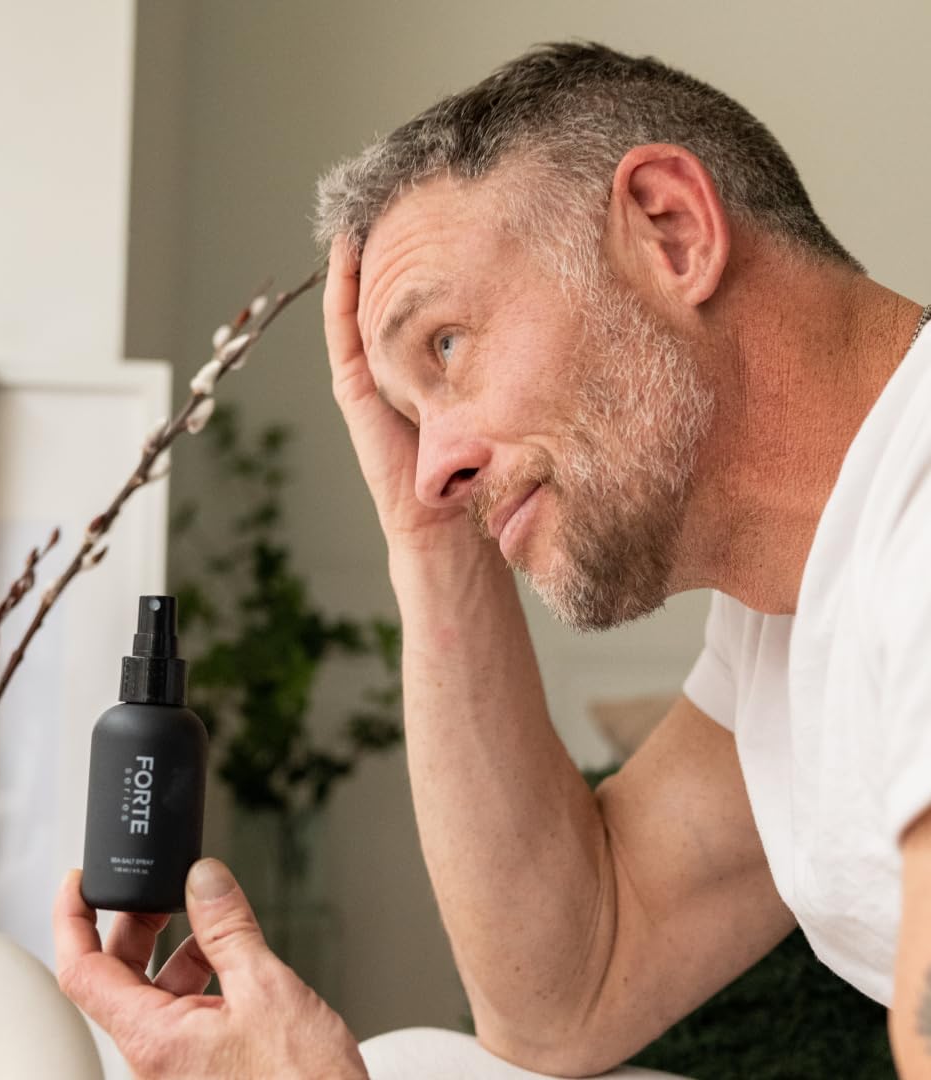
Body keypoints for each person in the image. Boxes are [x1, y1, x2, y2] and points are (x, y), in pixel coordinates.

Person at [53, 42, 931, 1079]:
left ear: (672, 231)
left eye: (447, 345)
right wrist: (424, 538)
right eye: (409, 415)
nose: (434, 467)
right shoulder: (791, 609)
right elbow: (567, 992)